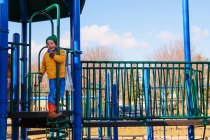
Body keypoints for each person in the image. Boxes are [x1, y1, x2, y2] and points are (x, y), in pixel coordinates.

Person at [38, 35, 66, 119]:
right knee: (53, 92)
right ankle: (51, 111)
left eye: (52, 43)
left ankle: (56, 108)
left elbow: (61, 60)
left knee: (60, 92)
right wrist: (41, 73)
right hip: (52, 77)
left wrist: (54, 56)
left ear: (56, 44)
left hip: (61, 76)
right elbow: (43, 65)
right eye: (48, 44)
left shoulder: (61, 51)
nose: (50, 45)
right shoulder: (46, 55)